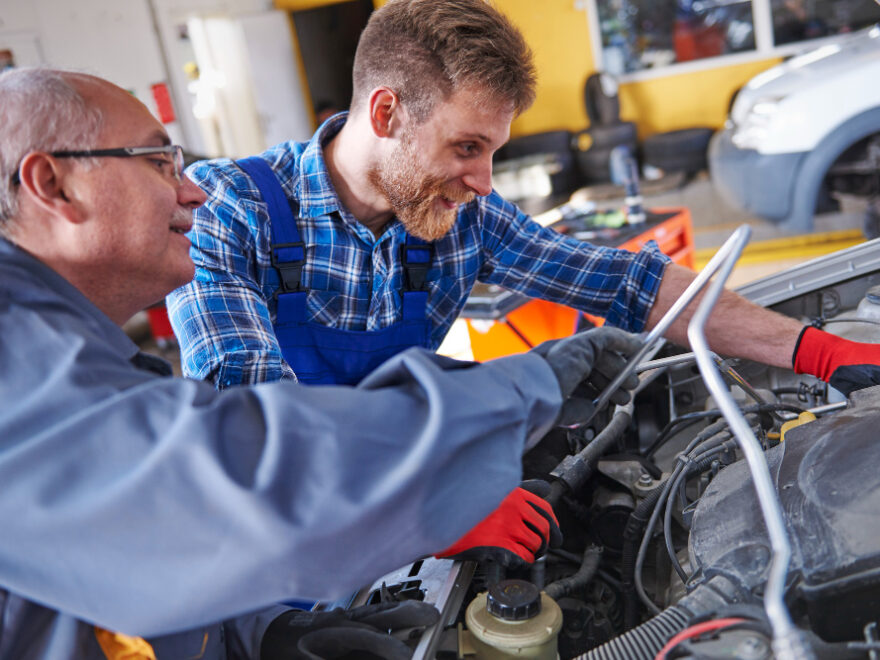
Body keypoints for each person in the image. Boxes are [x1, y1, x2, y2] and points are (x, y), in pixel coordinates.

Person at [0, 67, 643, 658]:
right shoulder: (19, 371)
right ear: (51, 183)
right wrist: (516, 392)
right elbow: (244, 478)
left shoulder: (81, 354)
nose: (192, 192)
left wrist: (267, 635)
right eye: (159, 163)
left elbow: (131, 567)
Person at [168, 0, 880, 400]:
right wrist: (423, 508)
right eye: (466, 147)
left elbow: (630, 285)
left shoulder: (460, 220)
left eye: (493, 152)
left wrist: (811, 350)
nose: (483, 182)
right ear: (385, 114)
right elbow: (253, 423)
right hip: (275, 556)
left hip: (385, 480)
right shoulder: (228, 213)